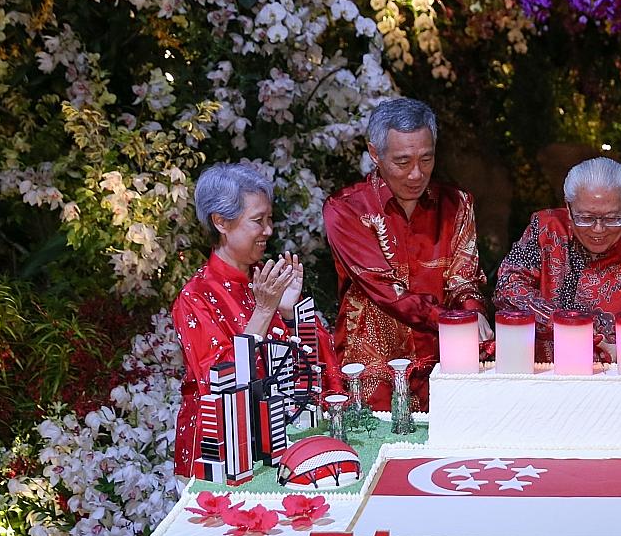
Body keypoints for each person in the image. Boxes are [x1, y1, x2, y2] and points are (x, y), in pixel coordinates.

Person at [323, 98, 489, 410]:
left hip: (443, 369)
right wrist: (455, 321)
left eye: (426, 160)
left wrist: (473, 310)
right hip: (371, 374)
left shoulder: (457, 204)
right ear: (375, 153)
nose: (416, 174)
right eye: (402, 162)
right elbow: (386, 289)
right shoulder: (346, 209)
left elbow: (463, 278)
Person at [171, 163, 303, 478]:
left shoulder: (261, 281)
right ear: (221, 222)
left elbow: (304, 369)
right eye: (257, 220)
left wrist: (287, 313)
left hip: (275, 438)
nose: (268, 230)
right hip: (220, 456)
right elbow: (220, 383)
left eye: (270, 219)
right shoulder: (195, 297)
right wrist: (263, 311)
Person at [495, 156, 621, 356]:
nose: (598, 229)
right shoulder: (546, 228)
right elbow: (508, 286)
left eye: (612, 218)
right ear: (569, 208)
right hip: (541, 371)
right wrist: (566, 321)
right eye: (586, 218)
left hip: (611, 378)